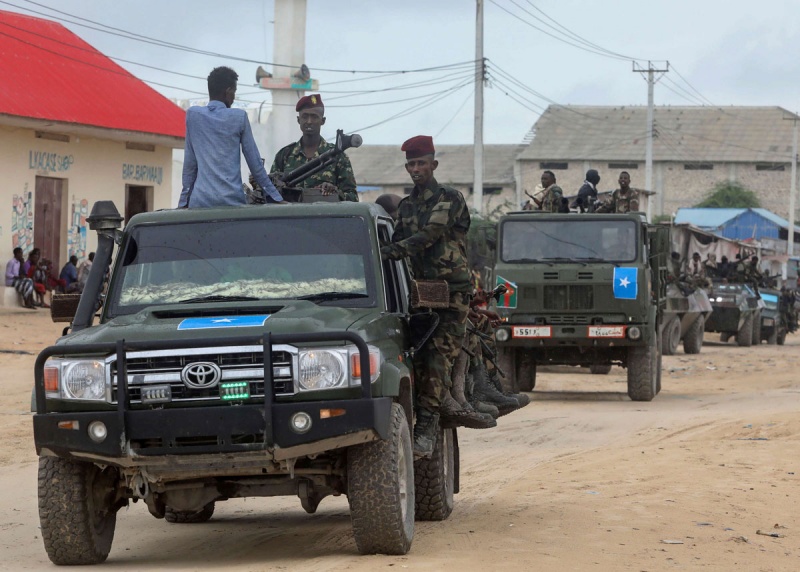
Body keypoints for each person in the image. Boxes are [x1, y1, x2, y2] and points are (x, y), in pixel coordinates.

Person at [380, 135, 487, 457]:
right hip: (422, 292)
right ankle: (436, 410)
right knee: (420, 358)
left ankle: (426, 430)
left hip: (452, 292)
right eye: (411, 164)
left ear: (433, 164)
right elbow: (397, 238)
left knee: (438, 357)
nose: (416, 169)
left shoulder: (449, 198)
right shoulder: (406, 206)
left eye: (421, 163)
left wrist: (387, 252)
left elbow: (429, 235)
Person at [179, 66, 284, 208]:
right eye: (234, 92)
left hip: (200, 202)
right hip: (231, 202)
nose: (234, 98)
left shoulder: (193, 115)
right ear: (228, 91)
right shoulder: (239, 117)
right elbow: (255, 164)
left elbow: (190, 166)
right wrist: (275, 197)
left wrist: (183, 203)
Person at [269, 94, 358, 202]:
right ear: (298, 120)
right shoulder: (284, 155)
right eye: (305, 116)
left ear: (323, 121)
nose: (309, 121)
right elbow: (270, 191)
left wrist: (335, 192)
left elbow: (353, 198)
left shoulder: (337, 156)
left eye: (314, 117)